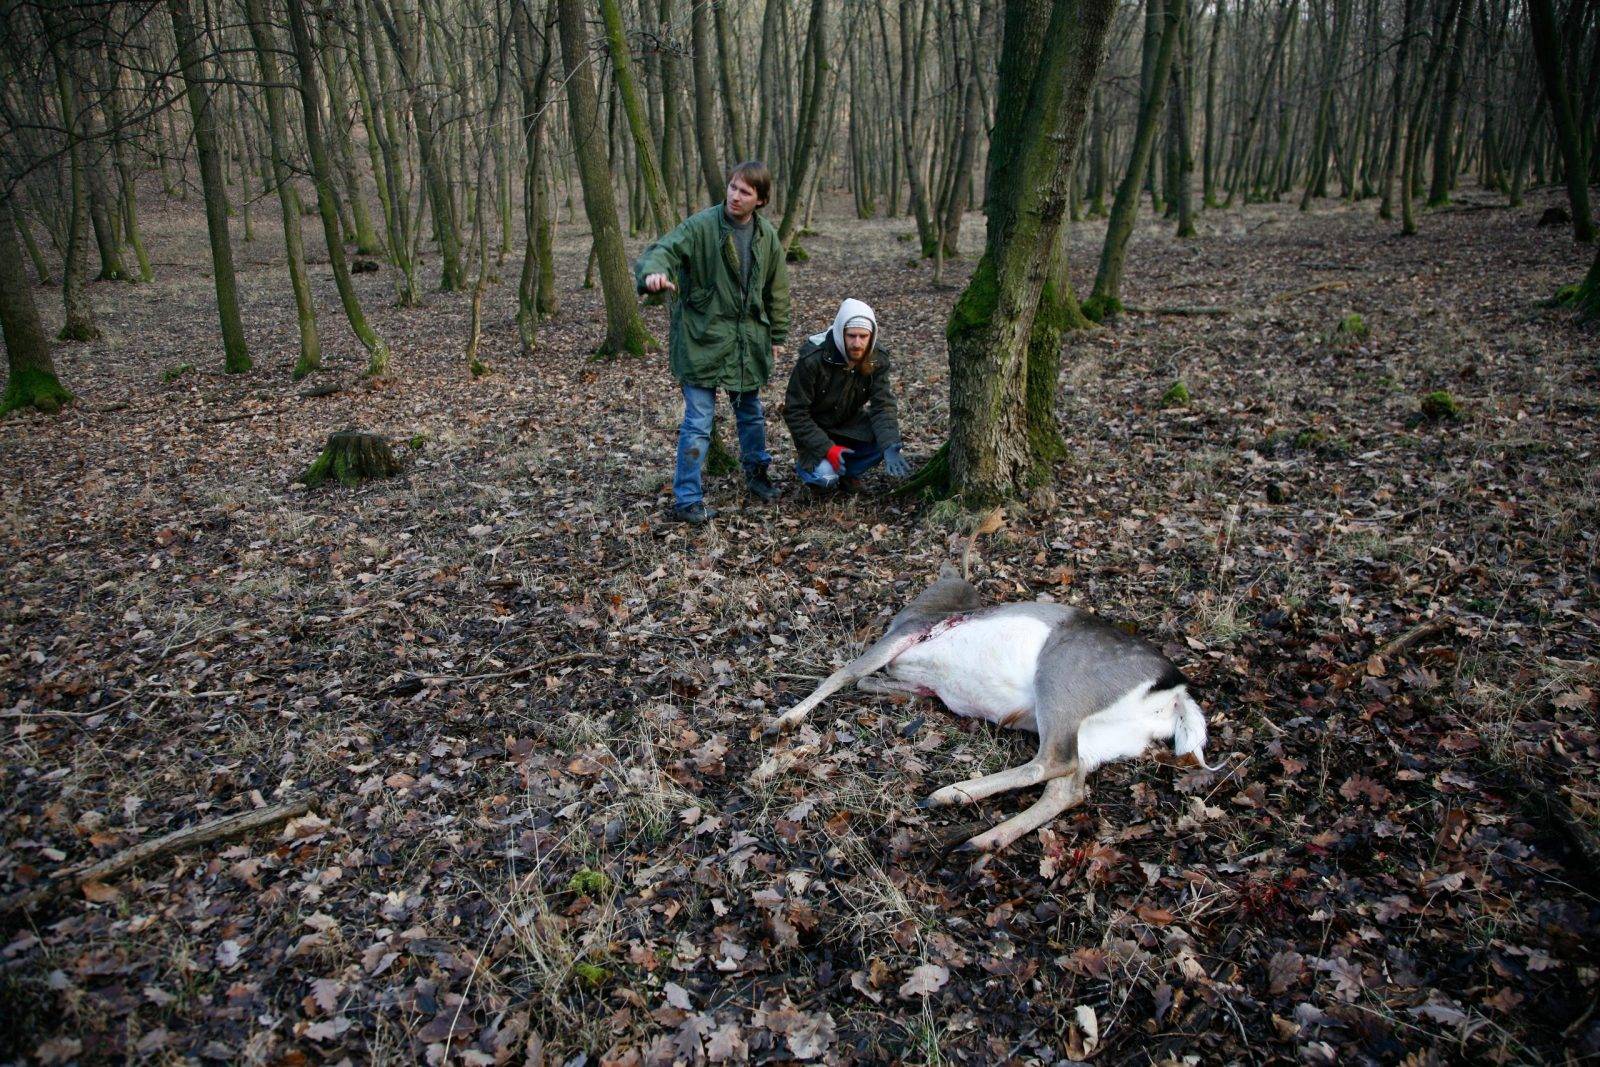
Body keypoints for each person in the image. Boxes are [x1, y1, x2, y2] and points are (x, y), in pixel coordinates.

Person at [634, 161, 790, 524]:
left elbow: (777, 291)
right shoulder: (701, 226)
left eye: (745, 192)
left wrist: (777, 336)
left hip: (745, 344)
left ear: (760, 200)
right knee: (699, 422)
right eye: (733, 187)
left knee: (750, 416)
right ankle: (687, 498)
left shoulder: (767, 238)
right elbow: (663, 250)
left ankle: (757, 476)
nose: (735, 196)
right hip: (700, 340)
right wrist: (653, 274)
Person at [783, 298, 909, 494]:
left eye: (863, 336)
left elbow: (882, 405)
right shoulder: (814, 358)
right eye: (851, 335)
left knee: (885, 442)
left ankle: (848, 473)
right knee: (825, 477)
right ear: (841, 332)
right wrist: (827, 449)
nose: (857, 343)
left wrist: (890, 444)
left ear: (871, 336)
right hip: (816, 429)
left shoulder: (877, 359)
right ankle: (817, 468)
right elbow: (795, 412)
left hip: (849, 425)